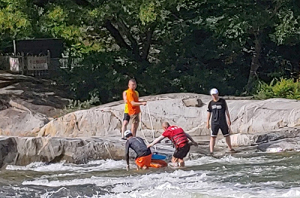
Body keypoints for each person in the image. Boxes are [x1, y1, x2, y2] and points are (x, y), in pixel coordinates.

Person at [207, 88, 234, 154]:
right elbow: (209, 112)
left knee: (226, 135)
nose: (214, 96)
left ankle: (230, 148)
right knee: (213, 136)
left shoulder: (222, 101)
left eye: (215, 94)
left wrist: (229, 119)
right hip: (214, 122)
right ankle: (211, 151)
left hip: (222, 121)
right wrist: (207, 122)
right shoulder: (211, 103)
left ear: (217, 94)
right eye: (212, 95)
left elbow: (226, 110)